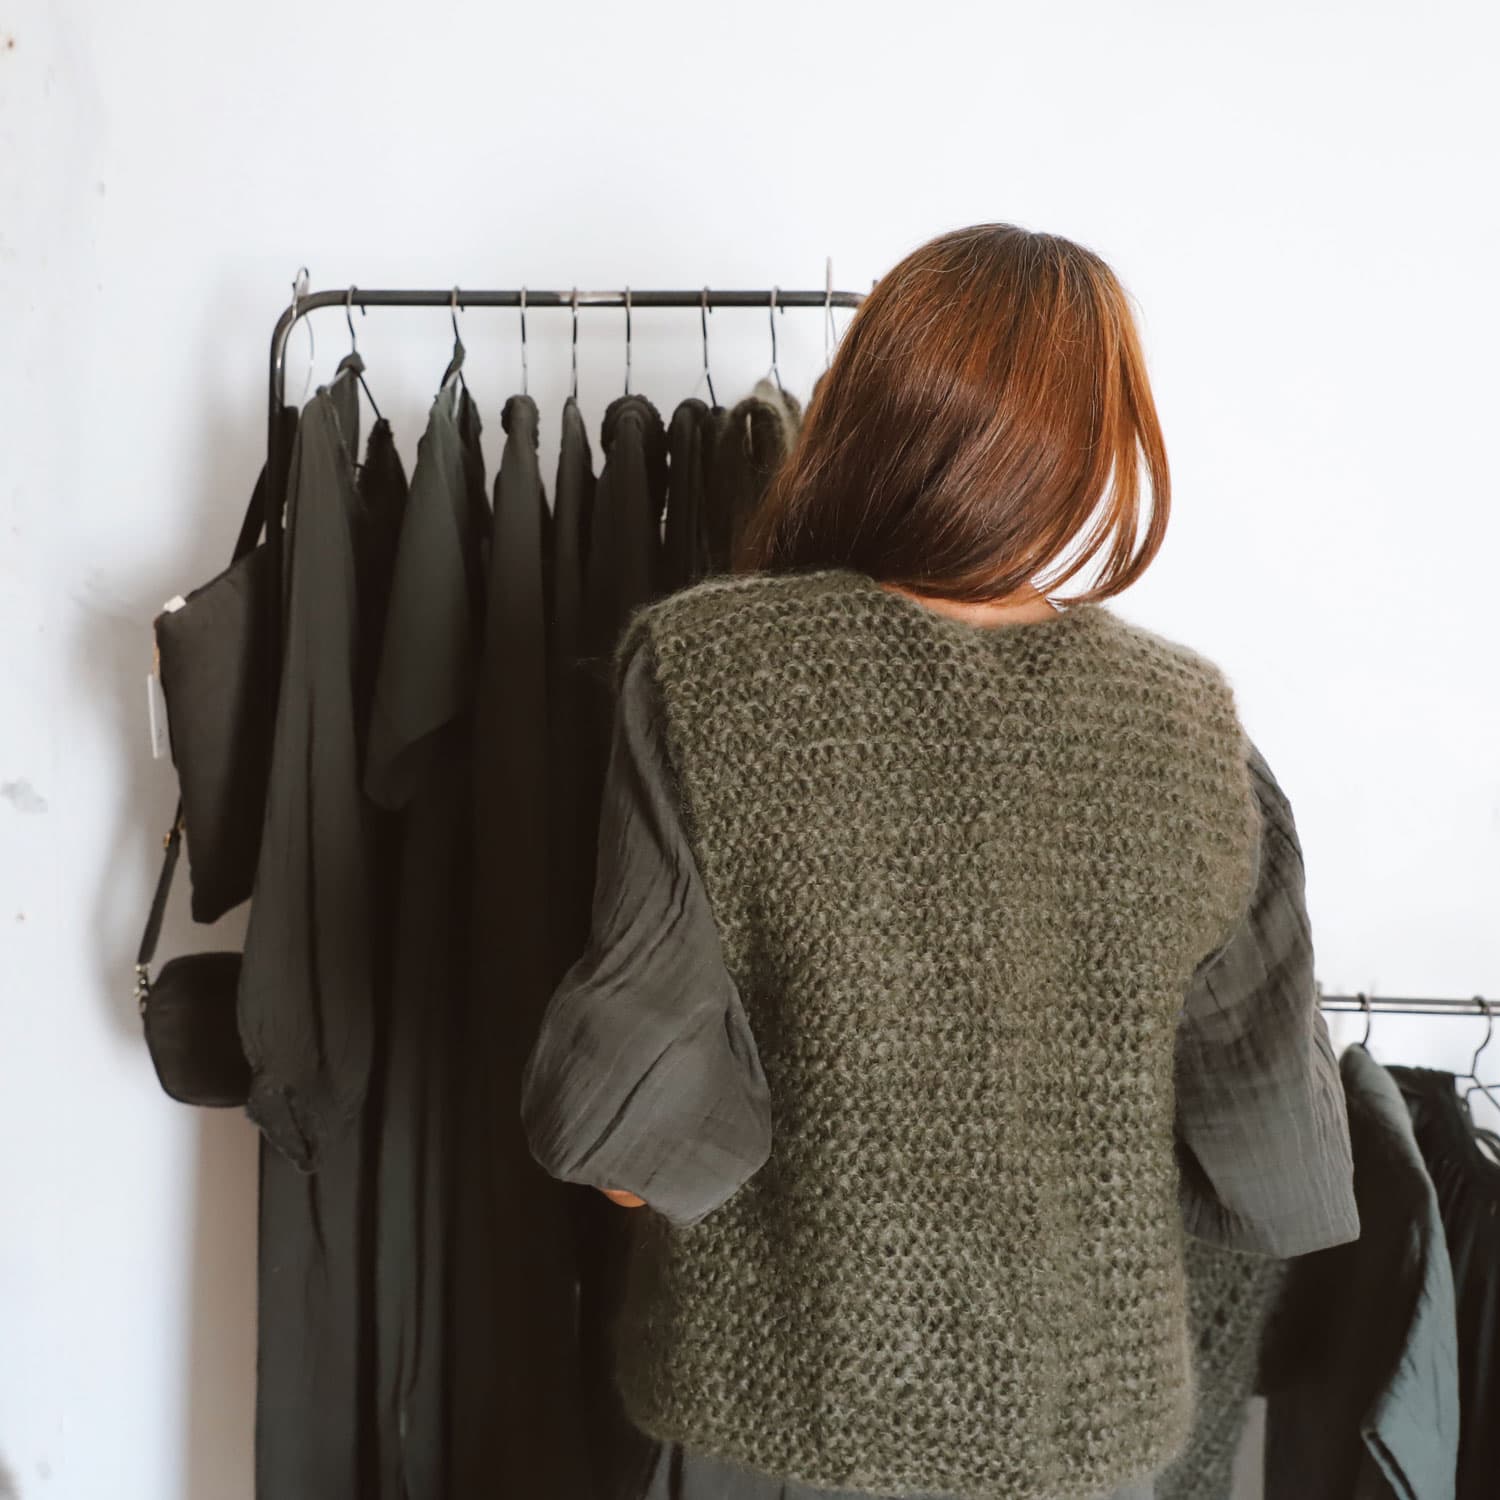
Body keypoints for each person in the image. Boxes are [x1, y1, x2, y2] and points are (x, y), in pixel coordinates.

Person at [521, 223, 1359, 1500]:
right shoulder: (1189, 726)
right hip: (1077, 1426)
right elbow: (1268, 1160)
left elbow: (629, 1126)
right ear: (1102, 447)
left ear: (870, 408)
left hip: (776, 1412)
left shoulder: (711, 674)